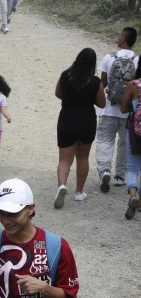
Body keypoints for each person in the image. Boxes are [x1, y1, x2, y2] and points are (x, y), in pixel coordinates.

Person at [54, 49, 105, 207]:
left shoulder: (65, 76)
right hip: (86, 120)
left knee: (64, 159)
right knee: (82, 158)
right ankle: (79, 192)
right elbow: (101, 104)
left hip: (67, 118)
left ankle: (62, 185)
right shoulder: (95, 82)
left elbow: (58, 94)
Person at [96, 27, 138, 192]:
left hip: (109, 108)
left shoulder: (109, 57)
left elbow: (103, 83)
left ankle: (105, 169)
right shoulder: (137, 60)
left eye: (120, 35)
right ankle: (120, 176)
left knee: (105, 140)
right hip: (128, 111)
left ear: (124, 40)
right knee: (124, 143)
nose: (118, 37)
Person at [120, 64, 141, 219]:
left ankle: (133, 196)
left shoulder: (134, 85)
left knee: (132, 168)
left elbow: (123, 109)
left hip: (135, 132)